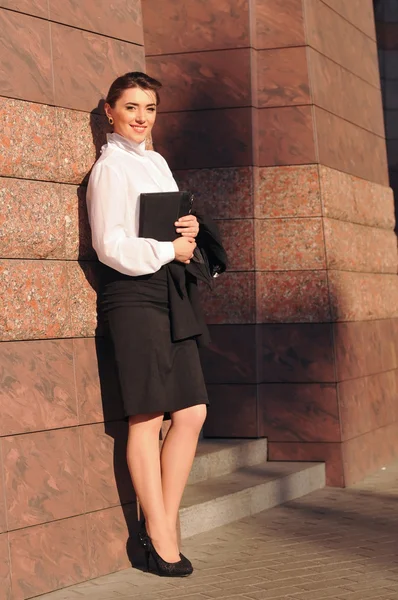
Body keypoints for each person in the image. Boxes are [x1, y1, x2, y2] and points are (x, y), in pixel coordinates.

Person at [86, 72, 213, 577]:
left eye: (150, 108)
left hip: (169, 291)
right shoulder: (110, 168)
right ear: (110, 110)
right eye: (132, 107)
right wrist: (168, 249)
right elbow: (109, 246)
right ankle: (159, 537)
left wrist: (188, 230)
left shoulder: (156, 161)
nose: (142, 117)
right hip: (133, 296)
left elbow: (164, 226)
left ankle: (162, 522)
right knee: (147, 415)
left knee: (193, 412)